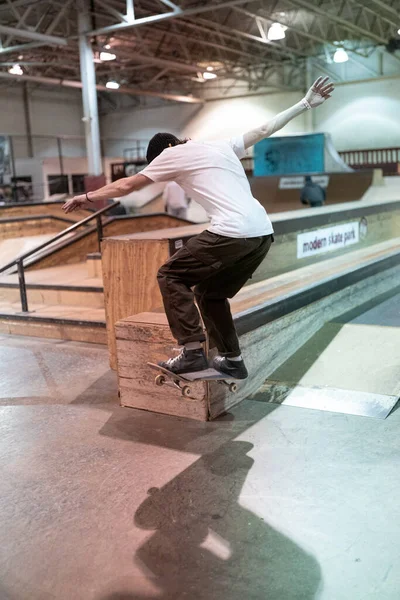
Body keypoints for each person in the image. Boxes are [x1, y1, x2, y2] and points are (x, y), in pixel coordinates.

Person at [63, 76, 334, 380]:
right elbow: (264, 129)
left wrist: (86, 197)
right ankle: (232, 359)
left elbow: (127, 185)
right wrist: (305, 104)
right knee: (209, 292)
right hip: (262, 235)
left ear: (163, 152)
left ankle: (192, 352)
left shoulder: (169, 155)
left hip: (232, 231)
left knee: (170, 274)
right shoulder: (220, 145)